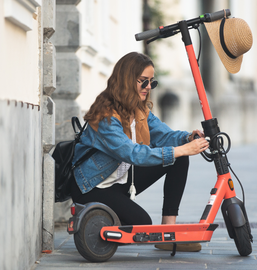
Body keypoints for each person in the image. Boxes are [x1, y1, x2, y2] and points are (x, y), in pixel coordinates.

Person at [70, 52, 209, 252]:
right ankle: (97, 220)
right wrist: (181, 149)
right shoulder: (106, 117)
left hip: (119, 180)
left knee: (178, 159)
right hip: (93, 186)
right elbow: (133, 154)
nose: (148, 88)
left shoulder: (138, 110)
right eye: (143, 82)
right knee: (142, 222)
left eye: (152, 82)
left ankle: (167, 233)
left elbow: (163, 134)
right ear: (127, 80)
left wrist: (187, 138)